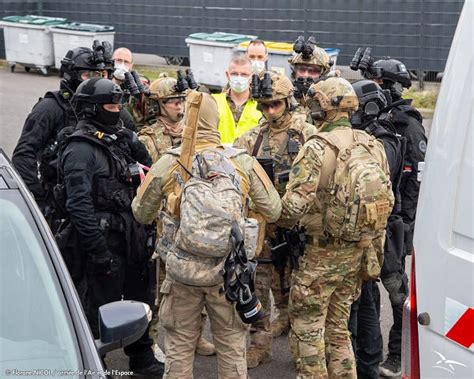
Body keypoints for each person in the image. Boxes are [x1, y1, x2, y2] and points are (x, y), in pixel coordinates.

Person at [132, 92, 281, 378]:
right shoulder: (242, 162)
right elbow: (274, 210)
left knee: (178, 347)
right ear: (216, 121)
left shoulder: (168, 162)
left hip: (181, 274)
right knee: (232, 347)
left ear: (187, 118)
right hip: (229, 274)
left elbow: (141, 213)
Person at [279, 77, 393, 378]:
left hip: (320, 257)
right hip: (356, 254)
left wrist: (269, 209)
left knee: (307, 330)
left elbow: (294, 208)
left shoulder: (316, 147)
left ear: (323, 107)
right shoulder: (372, 145)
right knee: (338, 329)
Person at [59, 77, 162, 376]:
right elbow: (78, 205)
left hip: (131, 238)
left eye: (119, 104)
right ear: (91, 109)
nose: (117, 110)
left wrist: (137, 146)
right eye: (110, 105)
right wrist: (98, 251)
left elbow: (149, 176)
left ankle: (141, 358)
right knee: (97, 308)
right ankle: (93, 364)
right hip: (102, 243)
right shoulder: (80, 149)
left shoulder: (118, 140)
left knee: (141, 299)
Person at [234, 72, 316, 368]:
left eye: (276, 105)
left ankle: (302, 347)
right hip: (263, 226)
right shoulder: (251, 138)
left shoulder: (307, 134)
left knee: (297, 289)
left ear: (288, 102)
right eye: (265, 106)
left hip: (297, 224)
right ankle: (260, 343)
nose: (270, 111)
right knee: (258, 285)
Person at [138, 75, 216, 358]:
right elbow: (145, 184)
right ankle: (157, 338)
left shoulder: (196, 132)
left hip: (195, 218)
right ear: (158, 105)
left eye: (181, 101)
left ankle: (195, 337)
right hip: (163, 220)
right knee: (163, 286)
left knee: (200, 280)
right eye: (172, 102)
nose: (179, 107)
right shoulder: (148, 139)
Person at [364, 58, 427, 377]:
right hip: (373, 222)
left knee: (398, 293)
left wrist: (407, 226)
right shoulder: (378, 119)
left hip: (394, 225)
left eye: (374, 83)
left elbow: (415, 180)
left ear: (389, 86)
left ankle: (397, 355)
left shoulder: (408, 124)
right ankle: (369, 352)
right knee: (367, 291)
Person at [349, 79, 406, 379]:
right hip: (375, 232)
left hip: (382, 232)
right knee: (367, 299)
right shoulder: (371, 137)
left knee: (395, 297)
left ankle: (395, 355)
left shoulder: (382, 141)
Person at [12, 46, 106, 224]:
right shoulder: (49, 108)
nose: (93, 82)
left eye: (97, 75)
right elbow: (23, 155)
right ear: (71, 75)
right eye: (87, 75)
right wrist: (38, 199)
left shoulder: (98, 109)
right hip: (57, 201)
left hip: (91, 201)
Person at [212, 55, 262, 144]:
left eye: (244, 74)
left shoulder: (262, 104)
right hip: (219, 155)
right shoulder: (213, 101)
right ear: (227, 75)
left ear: (252, 77)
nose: (239, 78)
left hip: (251, 157)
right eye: (234, 74)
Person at [288, 36, 331, 121]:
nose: (306, 75)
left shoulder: (329, 100)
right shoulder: (285, 98)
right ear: (294, 72)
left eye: (313, 71)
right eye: (302, 69)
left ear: (322, 74)